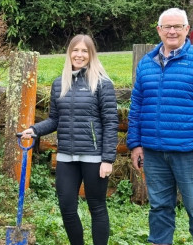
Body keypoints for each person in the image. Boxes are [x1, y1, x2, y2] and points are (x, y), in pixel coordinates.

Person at [127, 8, 193, 245]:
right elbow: (137, 106)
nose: (172, 31)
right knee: (160, 208)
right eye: (167, 27)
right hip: (153, 152)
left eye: (177, 26)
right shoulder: (147, 63)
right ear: (159, 30)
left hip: (191, 152)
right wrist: (135, 145)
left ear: (187, 29)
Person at [21, 34, 118, 245]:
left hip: (94, 158)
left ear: (91, 54)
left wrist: (108, 159)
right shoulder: (59, 83)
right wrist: (34, 130)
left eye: (84, 51)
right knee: (66, 206)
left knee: (97, 206)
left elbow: (111, 122)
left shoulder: (102, 83)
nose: (79, 55)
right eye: (75, 50)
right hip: (66, 156)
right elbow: (55, 119)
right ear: (69, 53)